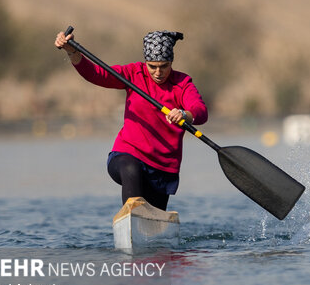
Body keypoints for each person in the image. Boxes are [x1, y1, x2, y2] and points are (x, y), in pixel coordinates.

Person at [54, 30, 208, 211]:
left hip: (163, 168)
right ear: (146, 63)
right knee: (131, 169)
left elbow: (201, 111)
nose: (158, 72)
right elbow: (96, 74)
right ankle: (131, 215)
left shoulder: (182, 83)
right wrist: (72, 52)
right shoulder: (134, 73)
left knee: (155, 217)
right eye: (152, 66)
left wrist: (184, 114)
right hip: (127, 155)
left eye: (164, 66)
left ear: (171, 62)